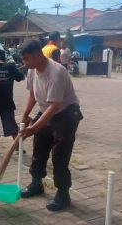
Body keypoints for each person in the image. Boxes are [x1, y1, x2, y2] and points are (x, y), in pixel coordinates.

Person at [18, 40, 83, 211]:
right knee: (39, 148)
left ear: (38, 55)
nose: (24, 63)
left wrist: (34, 127)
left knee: (59, 156)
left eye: (26, 59)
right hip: (46, 109)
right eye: (23, 59)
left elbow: (55, 105)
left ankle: (63, 194)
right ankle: (36, 183)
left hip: (65, 114)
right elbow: (33, 94)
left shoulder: (56, 72)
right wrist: (25, 114)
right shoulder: (32, 70)